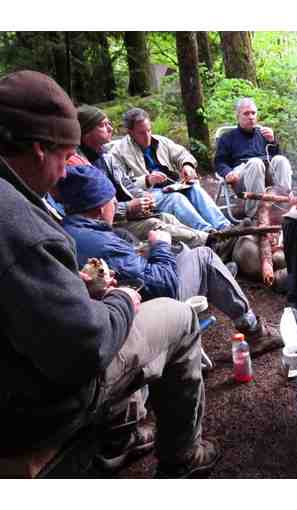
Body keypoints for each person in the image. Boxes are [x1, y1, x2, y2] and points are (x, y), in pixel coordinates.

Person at [0, 70, 217, 478]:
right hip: (35, 406)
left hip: (19, 375)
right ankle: (182, 457)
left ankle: (123, 434)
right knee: (179, 316)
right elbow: (87, 346)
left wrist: (70, 287)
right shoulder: (17, 223)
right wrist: (122, 299)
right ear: (38, 150)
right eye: (65, 159)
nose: (65, 175)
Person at [58, 164, 281, 349]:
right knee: (204, 256)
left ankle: (218, 269)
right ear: (99, 207)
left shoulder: (71, 230)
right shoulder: (99, 242)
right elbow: (162, 285)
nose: (115, 206)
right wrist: (160, 246)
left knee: (184, 250)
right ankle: (255, 332)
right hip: (141, 310)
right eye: (112, 202)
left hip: (117, 306)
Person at [68, 105, 212, 247]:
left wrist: (144, 197)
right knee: (158, 219)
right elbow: (92, 210)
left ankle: (216, 232)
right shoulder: (79, 164)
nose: (110, 129)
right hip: (111, 223)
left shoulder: (106, 156)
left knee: (169, 215)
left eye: (149, 130)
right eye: (102, 125)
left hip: (141, 205)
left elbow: (126, 184)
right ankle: (212, 240)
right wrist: (131, 203)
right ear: (86, 132)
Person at [108, 107, 231, 232]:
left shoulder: (161, 141)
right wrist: (147, 180)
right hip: (146, 195)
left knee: (194, 188)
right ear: (130, 132)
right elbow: (121, 185)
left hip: (172, 185)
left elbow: (181, 154)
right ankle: (208, 233)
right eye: (141, 133)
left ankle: (225, 227)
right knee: (175, 198)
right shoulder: (118, 153)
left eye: (149, 130)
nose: (147, 136)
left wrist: (187, 165)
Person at [214, 97, 293, 219]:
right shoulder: (227, 137)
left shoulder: (263, 134)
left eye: (253, 113)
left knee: (281, 160)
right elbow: (220, 162)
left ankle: (283, 206)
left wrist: (273, 141)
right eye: (246, 113)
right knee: (256, 163)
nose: (251, 117)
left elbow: (276, 156)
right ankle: (255, 212)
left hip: (265, 174)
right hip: (242, 177)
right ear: (238, 116)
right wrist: (227, 173)